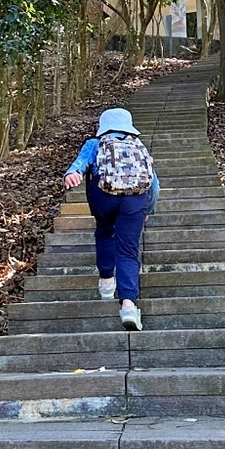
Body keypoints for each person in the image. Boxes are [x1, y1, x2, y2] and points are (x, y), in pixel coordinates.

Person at [64, 108, 159, 331]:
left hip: (103, 198)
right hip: (135, 201)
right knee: (128, 250)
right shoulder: (138, 146)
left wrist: (72, 174)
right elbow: (154, 185)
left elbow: (79, 164)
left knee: (105, 230)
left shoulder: (95, 143)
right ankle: (128, 304)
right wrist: (147, 210)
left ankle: (107, 281)